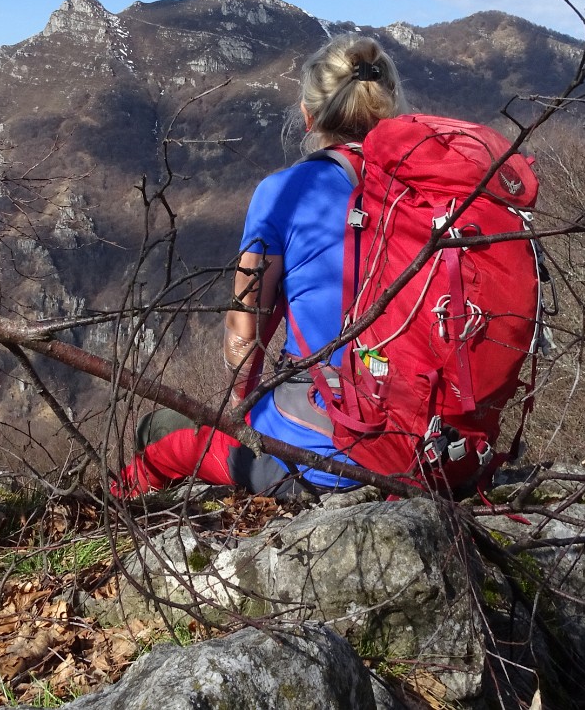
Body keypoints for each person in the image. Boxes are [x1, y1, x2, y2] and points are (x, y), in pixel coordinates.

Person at [113, 34, 408, 498]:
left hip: (331, 457)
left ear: (310, 117)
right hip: (439, 446)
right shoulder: (433, 194)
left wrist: (237, 409)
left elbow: (243, 336)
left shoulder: (286, 194)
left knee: (158, 431)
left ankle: (110, 507)